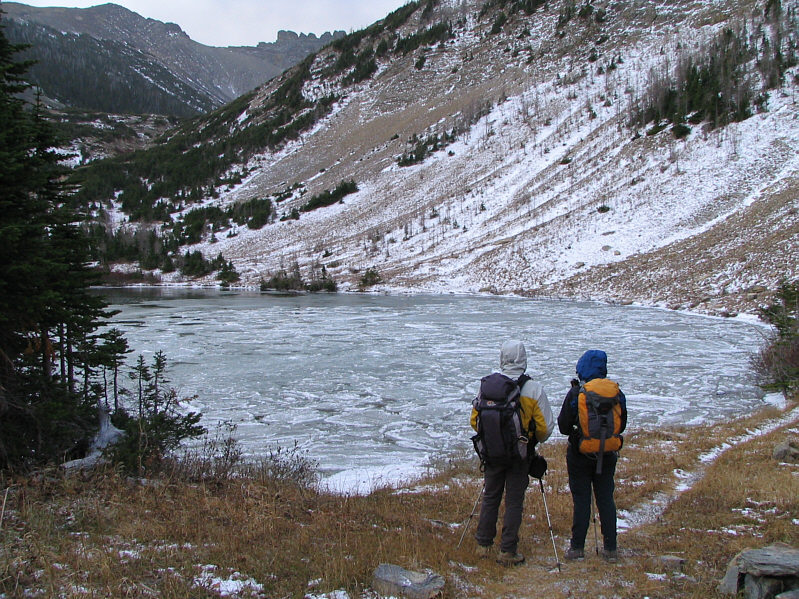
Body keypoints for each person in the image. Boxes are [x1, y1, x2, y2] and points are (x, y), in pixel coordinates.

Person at [470, 340, 554, 566]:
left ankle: (483, 545)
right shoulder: (532, 389)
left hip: (492, 454)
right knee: (514, 500)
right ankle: (507, 551)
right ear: (524, 359)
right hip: (520, 455)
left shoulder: (487, 387)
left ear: (502, 358)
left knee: (490, 496)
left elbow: (474, 421)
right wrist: (529, 437)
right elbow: (545, 428)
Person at [557, 349, 628, 562]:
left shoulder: (577, 393)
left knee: (582, 500)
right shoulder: (616, 392)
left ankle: (577, 548)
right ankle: (611, 549)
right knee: (606, 498)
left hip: (580, 454)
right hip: (607, 453)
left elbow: (563, 426)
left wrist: (581, 434)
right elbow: (622, 424)